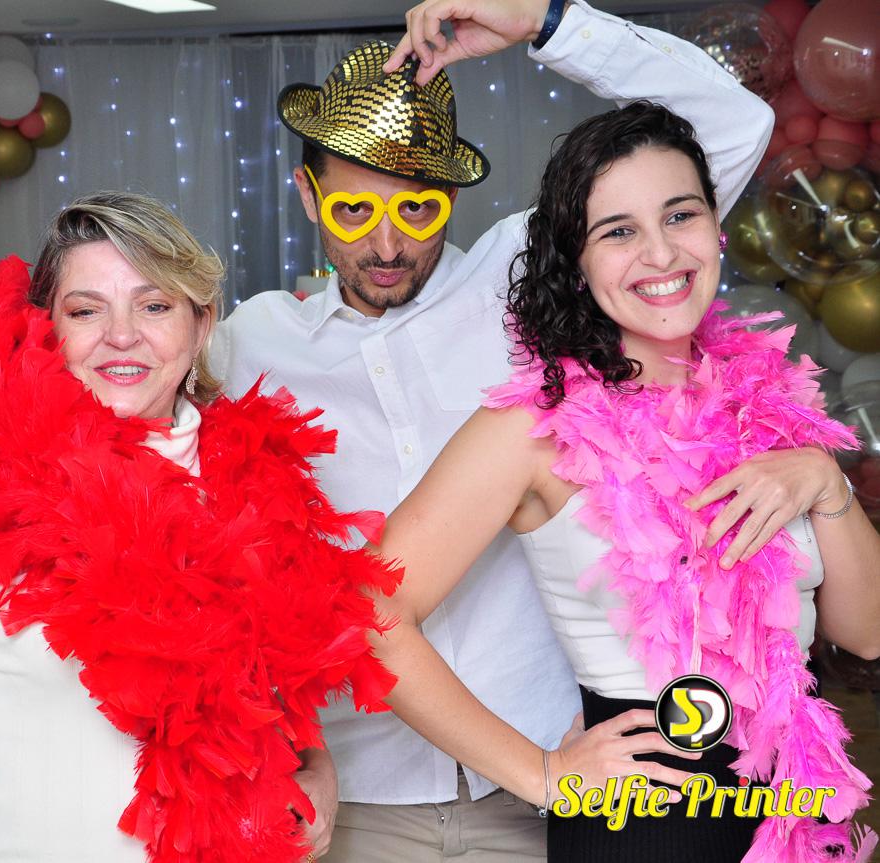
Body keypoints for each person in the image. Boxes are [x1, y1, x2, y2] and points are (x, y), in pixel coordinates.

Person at [210, 0, 776, 857]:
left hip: (558, 774)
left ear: (450, 196)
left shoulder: (527, 285)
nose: (388, 245)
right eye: (354, 212)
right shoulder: (245, 343)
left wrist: (545, 22)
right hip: (361, 792)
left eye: (418, 210)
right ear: (307, 193)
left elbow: (731, 129)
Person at [0, 193, 398, 863]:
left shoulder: (260, 487)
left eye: (154, 306)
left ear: (201, 325)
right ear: (45, 329)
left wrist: (315, 764)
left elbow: (273, 683)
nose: (122, 336)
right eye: (86, 311)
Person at [372, 100, 880, 862]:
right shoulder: (534, 425)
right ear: (575, 262)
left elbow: (866, 631)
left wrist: (824, 481)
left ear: (715, 227)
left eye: (680, 214)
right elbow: (370, 610)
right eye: (618, 231)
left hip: (792, 815)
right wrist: (542, 773)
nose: (661, 252)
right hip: (640, 831)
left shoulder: (776, 410)